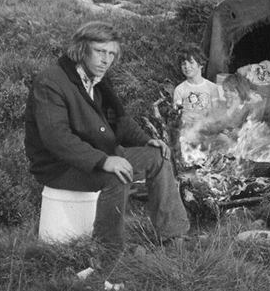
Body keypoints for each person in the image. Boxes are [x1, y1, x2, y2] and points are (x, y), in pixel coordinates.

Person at [24, 21, 189, 248]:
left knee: (158, 157)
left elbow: (119, 120)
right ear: (81, 49)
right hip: (60, 166)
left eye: (111, 53)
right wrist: (103, 161)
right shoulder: (52, 81)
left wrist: (145, 140)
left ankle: (173, 236)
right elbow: (57, 138)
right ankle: (107, 251)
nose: (106, 60)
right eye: (100, 51)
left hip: (99, 155)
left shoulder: (99, 80)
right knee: (116, 175)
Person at [173, 45, 223, 126]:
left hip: (208, 131)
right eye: (183, 64)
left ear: (201, 64)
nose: (187, 66)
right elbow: (177, 114)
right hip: (186, 133)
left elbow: (216, 114)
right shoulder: (179, 89)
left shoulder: (212, 88)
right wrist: (183, 116)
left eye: (191, 62)